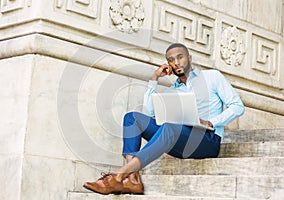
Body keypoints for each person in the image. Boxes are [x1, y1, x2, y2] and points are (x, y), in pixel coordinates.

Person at [83, 43, 245, 195]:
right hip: (179, 139)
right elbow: (147, 113)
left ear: (190, 58)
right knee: (132, 118)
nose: (176, 63)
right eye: (171, 60)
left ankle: (119, 176)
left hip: (208, 140)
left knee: (169, 127)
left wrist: (211, 122)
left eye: (180, 57)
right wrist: (154, 79)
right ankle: (133, 179)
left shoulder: (212, 77)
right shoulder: (172, 91)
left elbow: (237, 106)